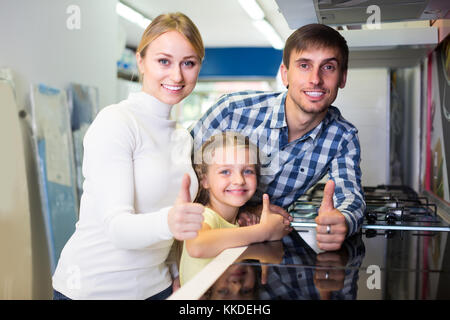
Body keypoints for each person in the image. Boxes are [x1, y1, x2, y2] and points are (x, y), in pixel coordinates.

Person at [52, 12, 206, 300]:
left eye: (189, 63)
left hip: (157, 287)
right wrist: (170, 222)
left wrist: (175, 273)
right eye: (164, 61)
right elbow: (117, 228)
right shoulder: (117, 122)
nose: (177, 75)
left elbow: (172, 218)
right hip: (96, 289)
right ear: (141, 61)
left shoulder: (182, 137)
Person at [190, 23, 366, 251]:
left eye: (328, 67)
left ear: (342, 78)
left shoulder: (343, 138)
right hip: (200, 238)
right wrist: (245, 209)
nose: (315, 79)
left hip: (260, 251)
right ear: (285, 74)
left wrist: (342, 220)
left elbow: (350, 197)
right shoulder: (231, 111)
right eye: (304, 65)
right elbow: (181, 176)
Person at [179, 132, 290, 285]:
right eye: (225, 171)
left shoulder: (238, 221)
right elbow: (197, 246)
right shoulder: (205, 215)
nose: (239, 180)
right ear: (204, 180)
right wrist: (265, 231)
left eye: (247, 171)